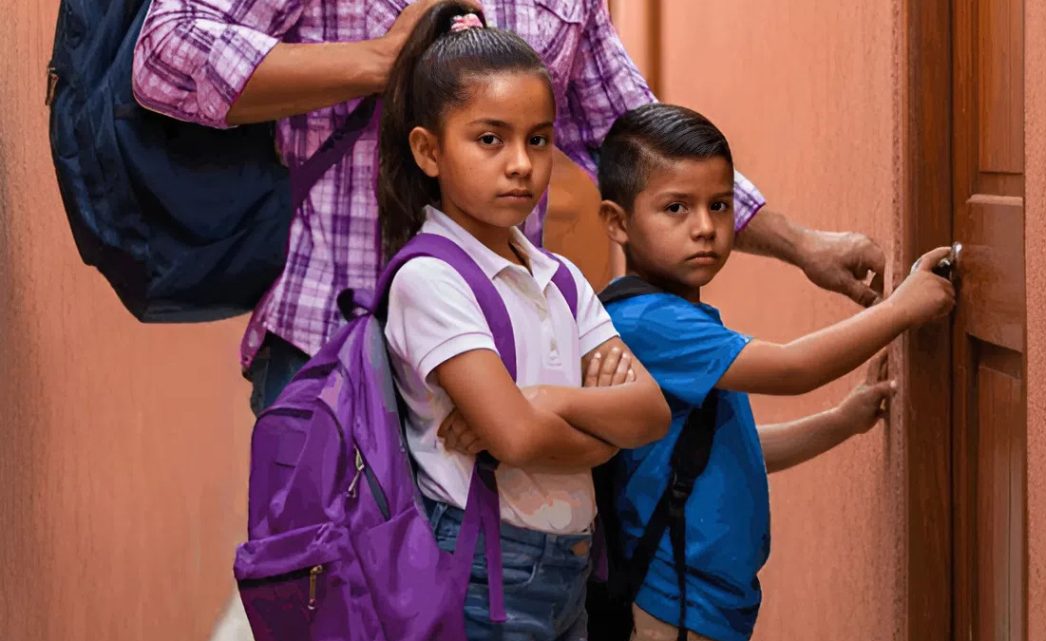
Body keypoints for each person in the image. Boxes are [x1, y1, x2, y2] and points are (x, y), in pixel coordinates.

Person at [132, 0, 889, 418]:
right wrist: (378, 63)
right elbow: (163, 51)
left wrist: (802, 244)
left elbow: (636, 139)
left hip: (498, 367)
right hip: (330, 348)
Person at [591, 103, 955, 641]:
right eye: (676, 208)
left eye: (718, 205)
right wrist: (902, 308)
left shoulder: (681, 319)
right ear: (618, 222)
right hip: (673, 608)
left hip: (708, 604)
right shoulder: (650, 323)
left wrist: (840, 421)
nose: (705, 228)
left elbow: (731, 452)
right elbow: (793, 367)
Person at [378, 6, 671, 639]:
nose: (520, 163)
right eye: (491, 139)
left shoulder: (559, 277)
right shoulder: (430, 279)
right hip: (486, 575)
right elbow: (514, 440)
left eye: (537, 139)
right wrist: (601, 429)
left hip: (570, 569)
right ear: (429, 151)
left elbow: (651, 412)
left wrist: (542, 400)